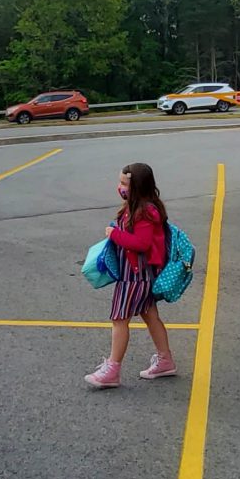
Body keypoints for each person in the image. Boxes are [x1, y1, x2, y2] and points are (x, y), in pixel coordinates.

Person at [85, 161, 177, 390]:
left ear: (137, 186)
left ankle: (112, 370)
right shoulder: (139, 207)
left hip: (134, 277)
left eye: (124, 183)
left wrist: (114, 234)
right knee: (150, 316)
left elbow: (142, 243)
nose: (120, 187)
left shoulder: (144, 212)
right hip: (142, 274)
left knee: (119, 320)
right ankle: (165, 361)